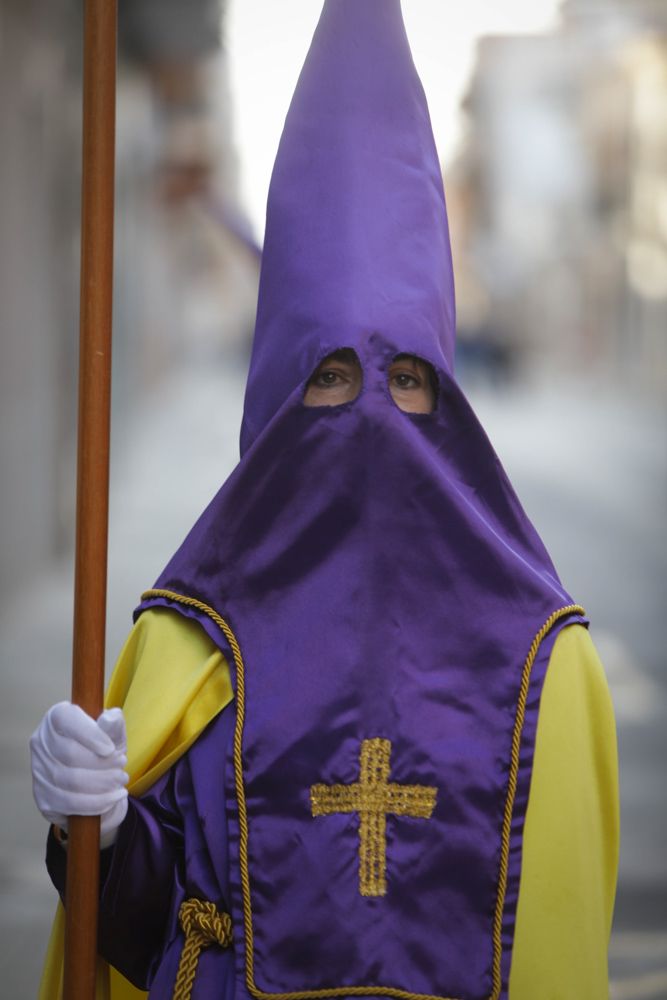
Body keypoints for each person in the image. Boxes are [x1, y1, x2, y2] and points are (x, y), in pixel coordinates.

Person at [31, 2, 619, 999]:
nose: (374, 416)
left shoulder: (545, 663)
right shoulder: (188, 643)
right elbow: (143, 932)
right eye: (334, 377)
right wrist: (95, 830)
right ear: (277, 397)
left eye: (407, 382)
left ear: (447, 400)